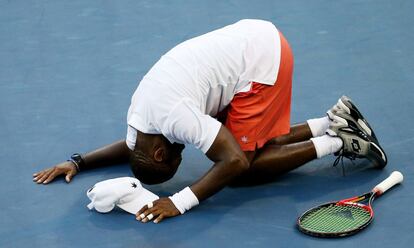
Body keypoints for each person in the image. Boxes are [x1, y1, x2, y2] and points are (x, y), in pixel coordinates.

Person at [33, 19, 387, 224]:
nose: (182, 155)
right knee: (245, 143)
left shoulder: (175, 118)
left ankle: (341, 142)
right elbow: (128, 149)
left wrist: (181, 201)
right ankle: (331, 122)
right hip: (250, 40)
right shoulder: (140, 119)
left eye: (175, 158)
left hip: (262, 62)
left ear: (158, 155)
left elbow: (232, 160)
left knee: (243, 169)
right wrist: (78, 162)